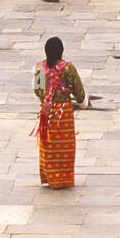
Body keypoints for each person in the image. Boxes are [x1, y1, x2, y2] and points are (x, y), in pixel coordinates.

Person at [34, 36, 87, 189]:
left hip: (47, 111)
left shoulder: (40, 68)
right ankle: (63, 178)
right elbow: (78, 88)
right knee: (64, 145)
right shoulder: (68, 68)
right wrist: (81, 100)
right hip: (64, 112)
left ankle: (50, 177)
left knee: (48, 145)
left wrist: (46, 99)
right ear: (61, 51)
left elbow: (37, 91)